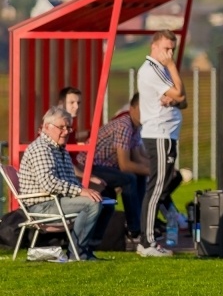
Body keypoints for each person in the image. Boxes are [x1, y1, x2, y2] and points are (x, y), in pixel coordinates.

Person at [18, 107, 114, 261]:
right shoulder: (41, 148)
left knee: (105, 202)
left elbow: (69, 181)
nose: (66, 131)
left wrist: (87, 190)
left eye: (68, 127)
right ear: (47, 127)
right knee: (92, 203)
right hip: (42, 205)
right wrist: (81, 192)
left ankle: (86, 249)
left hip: (56, 200)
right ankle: (78, 253)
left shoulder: (60, 149)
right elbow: (49, 183)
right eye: (61, 127)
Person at [136, 30, 187, 258]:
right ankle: (146, 242)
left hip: (168, 134)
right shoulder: (151, 70)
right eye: (166, 48)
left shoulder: (160, 69)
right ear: (154, 47)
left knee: (164, 185)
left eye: (172, 50)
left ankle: (159, 228)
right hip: (159, 133)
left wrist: (176, 98)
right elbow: (180, 93)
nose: (169, 54)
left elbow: (181, 101)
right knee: (157, 188)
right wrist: (173, 68)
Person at [76, 93, 149, 241]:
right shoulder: (124, 126)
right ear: (132, 108)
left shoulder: (135, 127)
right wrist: (156, 171)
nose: (147, 113)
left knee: (140, 176)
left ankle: (143, 222)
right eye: (143, 108)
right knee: (129, 179)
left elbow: (139, 159)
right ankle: (134, 230)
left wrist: (157, 169)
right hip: (90, 166)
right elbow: (125, 165)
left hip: (105, 167)